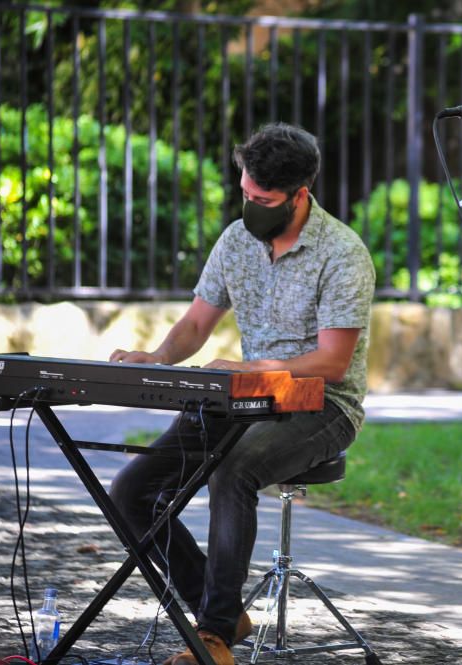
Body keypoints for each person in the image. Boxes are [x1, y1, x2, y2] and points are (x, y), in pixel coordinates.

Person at [108, 123, 375, 665]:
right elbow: (196, 322)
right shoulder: (236, 240)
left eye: (264, 199)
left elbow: (332, 362)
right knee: (131, 491)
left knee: (234, 472)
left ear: (301, 193)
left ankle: (213, 637)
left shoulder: (343, 253)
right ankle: (223, 606)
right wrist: (156, 358)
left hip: (323, 403)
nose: (250, 205)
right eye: (245, 193)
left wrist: (253, 367)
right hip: (242, 395)